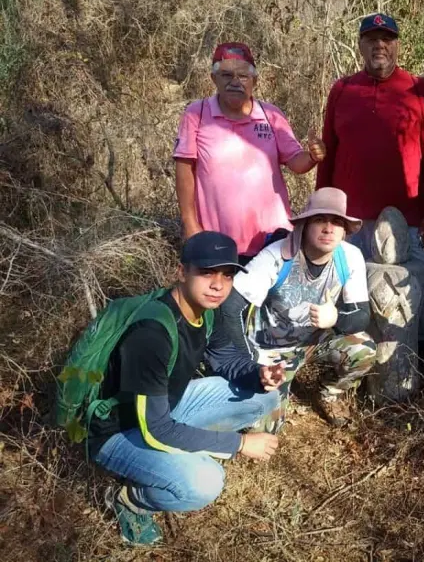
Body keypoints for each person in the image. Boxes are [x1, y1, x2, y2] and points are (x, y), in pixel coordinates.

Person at [85, 232, 283, 546]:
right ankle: (131, 499)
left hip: (163, 406)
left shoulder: (207, 311)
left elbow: (225, 357)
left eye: (227, 274)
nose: (219, 284)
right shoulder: (152, 334)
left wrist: (259, 375)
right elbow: (156, 430)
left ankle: (186, 449)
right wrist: (239, 443)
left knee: (265, 396)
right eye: (207, 272)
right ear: (181, 272)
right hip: (118, 433)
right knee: (205, 482)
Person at [316, 13, 424, 358]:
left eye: (386, 38)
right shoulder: (342, 90)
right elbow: (329, 151)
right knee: (349, 293)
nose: (379, 45)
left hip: (406, 219)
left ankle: (418, 353)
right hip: (350, 219)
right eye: (371, 39)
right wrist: (322, 211)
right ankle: (353, 360)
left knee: (414, 290)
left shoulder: (421, 90)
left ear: (398, 44)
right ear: (360, 45)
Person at [208, 187, 377, 428]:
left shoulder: (350, 257)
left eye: (337, 222)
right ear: (305, 225)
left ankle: (327, 393)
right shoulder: (277, 255)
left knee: (364, 350)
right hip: (269, 349)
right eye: (320, 220)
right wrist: (249, 364)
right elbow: (229, 308)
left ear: (345, 230)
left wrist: (336, 318)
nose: (328, 229)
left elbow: (362, 316)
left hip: (315, 341)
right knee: (263, 428)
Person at [174, 42, 326, 263]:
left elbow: (296, 162)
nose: (235, 82)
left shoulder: (271, 115)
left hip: (273, 241)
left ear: (255, 81)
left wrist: (313, 156)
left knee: (272, 298)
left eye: (243, 76)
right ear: (213, 79)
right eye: (226, 75)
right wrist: (190, 224)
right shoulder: (196, 114)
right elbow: (184, 169)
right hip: (218, 240)